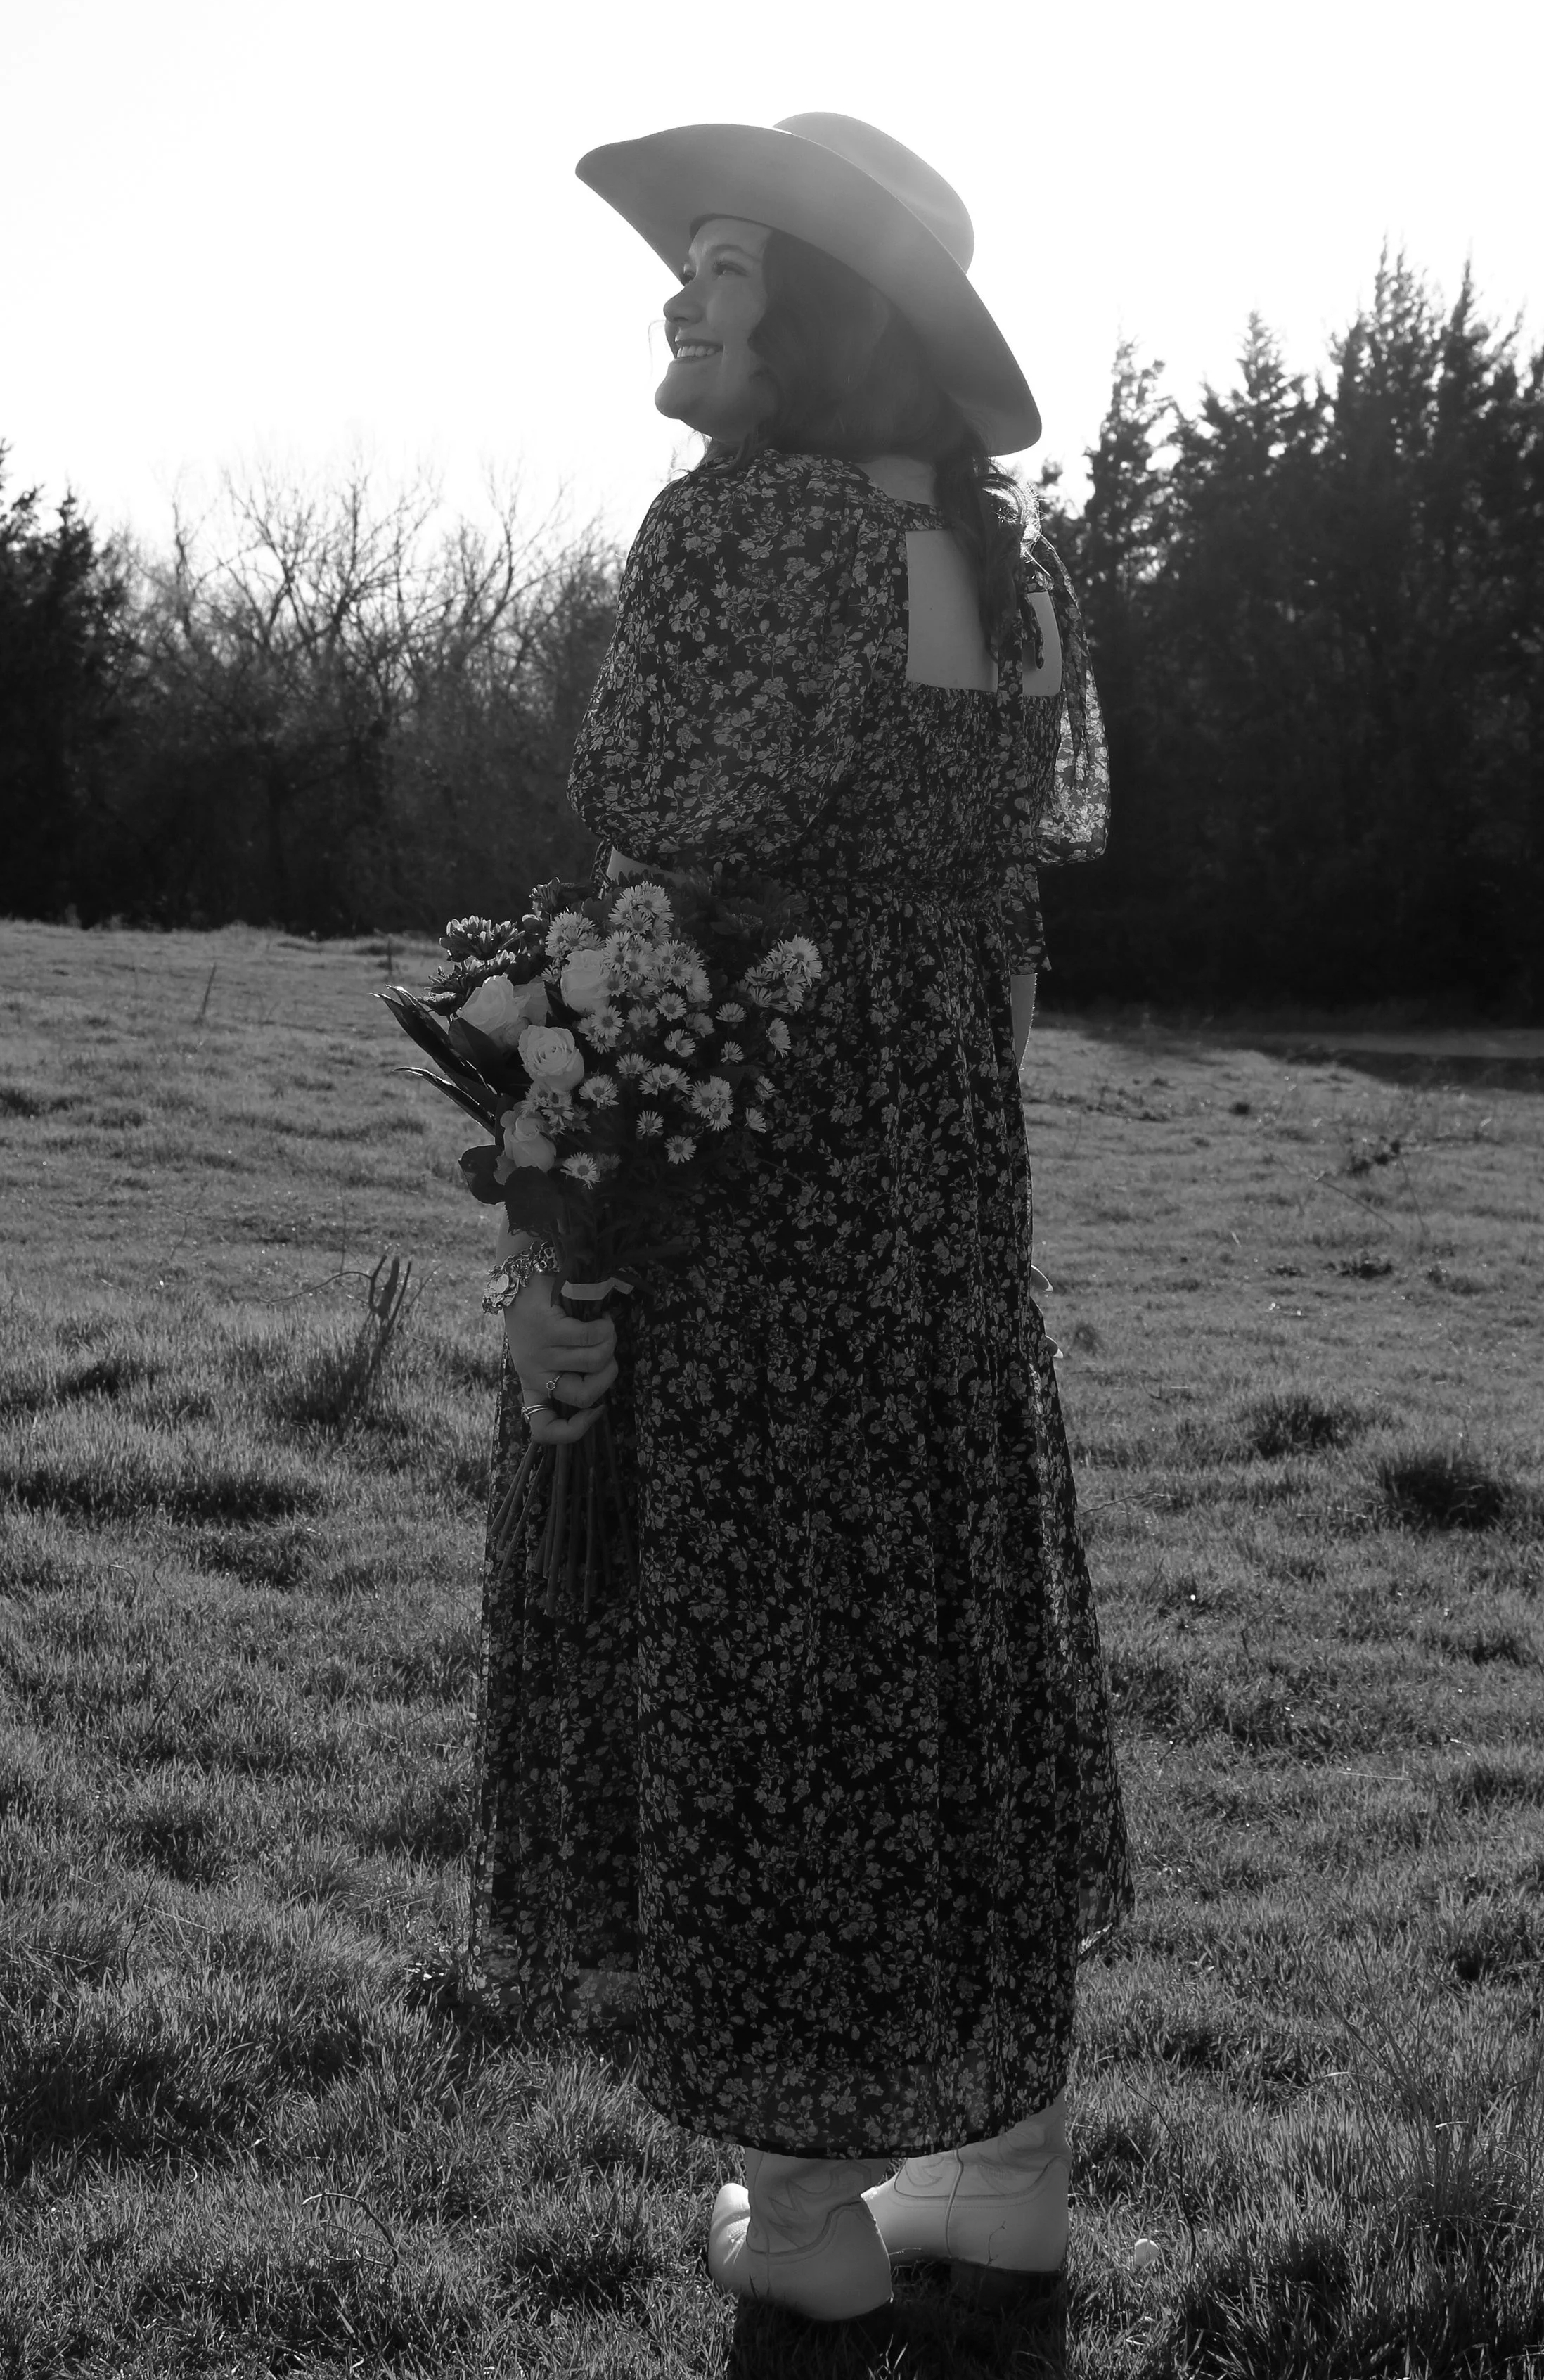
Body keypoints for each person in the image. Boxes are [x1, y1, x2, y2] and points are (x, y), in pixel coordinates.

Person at [477, 114, 1132, 2322]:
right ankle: (1002, 2171)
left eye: (727, 268)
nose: (682, 296)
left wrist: (566, 1090)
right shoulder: (973, 551)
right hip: (935, 1155)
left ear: (820, 315)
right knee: (936, 1590)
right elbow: (982, 872)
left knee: (769, 1605)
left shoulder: (734, 539)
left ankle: (817, 2217)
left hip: (760, 1149)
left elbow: (660, 840)